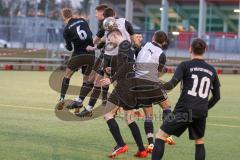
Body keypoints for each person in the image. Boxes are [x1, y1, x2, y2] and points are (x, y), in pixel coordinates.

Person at [151, 38, 221, 160]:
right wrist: (205, 107)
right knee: (199, 141)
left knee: (160, 136)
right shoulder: (211, 70)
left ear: (190, 49)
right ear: (205, 50)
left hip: (184, 109)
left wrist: (159, 85)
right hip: (201, 111)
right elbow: (217, 96)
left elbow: (172, 84)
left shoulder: (185, 65)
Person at [100, 29, 148, 158]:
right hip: (131, 86)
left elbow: (128, 64)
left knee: (107, 114)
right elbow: (128, 65)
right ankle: (142, 150)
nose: (109, 42)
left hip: (124, 86)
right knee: (129, 118)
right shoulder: (127, 46)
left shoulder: (124, 45)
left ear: (115, 36)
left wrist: (111, 78)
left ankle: (121, 144)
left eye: (110, 39)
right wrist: (113, 69)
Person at [133, 30, 175, 153]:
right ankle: (164, 134)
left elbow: (135, 54)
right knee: (167, 107)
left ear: (153, 37)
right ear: (164, 42)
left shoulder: (144, 45)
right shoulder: (162, 54)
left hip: (138, 84)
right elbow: (158, 72)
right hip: (151, 83)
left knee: (148, 116)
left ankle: (151, 143)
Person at [66, 4, 109, 116]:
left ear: (102, 12)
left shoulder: (109, 22)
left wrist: (92, 47)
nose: (95, 15)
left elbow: (105, 38)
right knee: (93, 79)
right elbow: (99, 38)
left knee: (99, 81)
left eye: (96, 13)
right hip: (105, 54)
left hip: (113, 56)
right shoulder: (104, 23)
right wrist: (91, 45)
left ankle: (92, 107)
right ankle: (80, 102)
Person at [56, 8, 95, 111]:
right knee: (86, 80)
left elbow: (70, 48)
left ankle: (61, 98)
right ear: (72, 14)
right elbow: (90, 34)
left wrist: (66, 45)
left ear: (63, 17)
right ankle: (79, 101)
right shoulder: (83, 20)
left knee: (67, 75)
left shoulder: (66, 29)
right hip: (91, 53)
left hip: (78, 54)